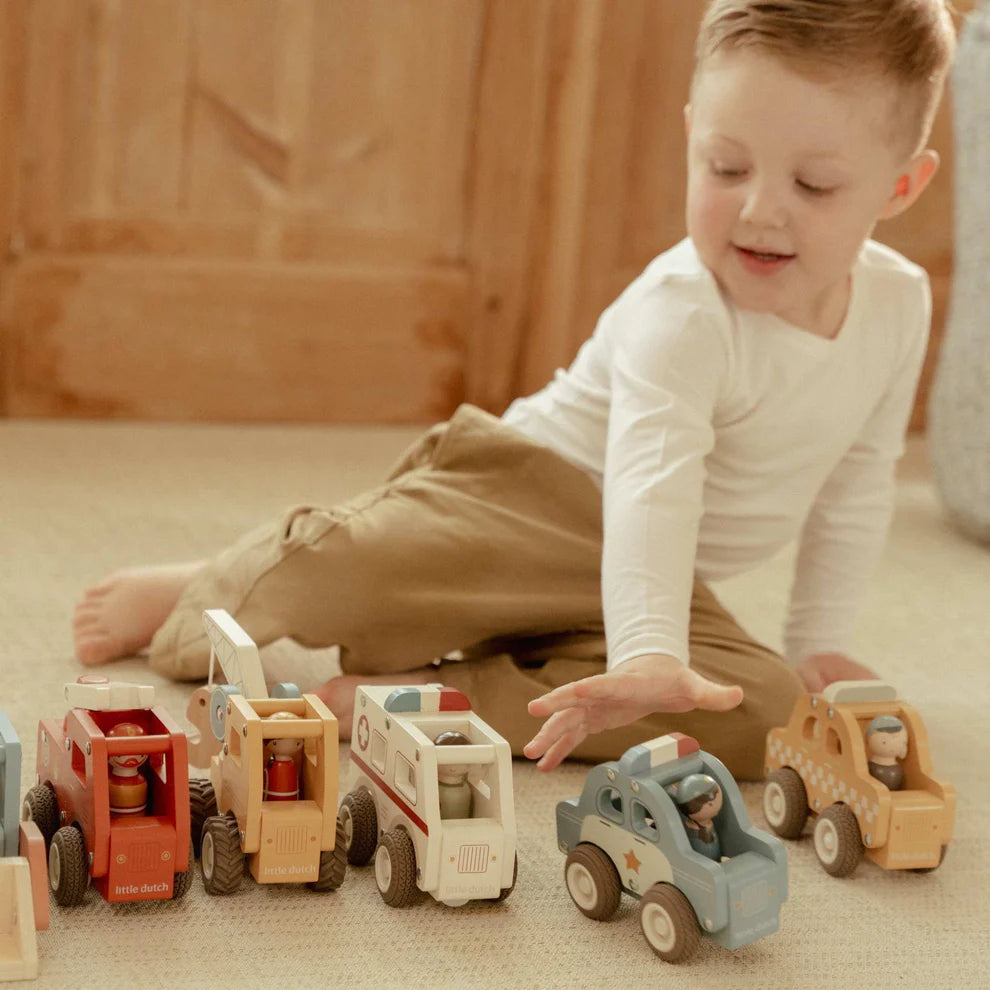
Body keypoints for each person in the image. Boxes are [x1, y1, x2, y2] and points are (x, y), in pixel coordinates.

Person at [71, 0, 955, 781]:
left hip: (657, 571)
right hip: (522, 500)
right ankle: (221, 580)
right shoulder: (684, 311)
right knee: (351, 571)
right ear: (691, 137)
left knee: (759, 709)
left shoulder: (898, 306)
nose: (761, 209)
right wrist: (650, 649)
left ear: (900, 187)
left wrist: (812, 645)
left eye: (814, 184)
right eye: (726, 168)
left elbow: (857, 482)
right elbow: (654, 481)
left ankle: (421, 696)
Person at [865, 714, 909, 790]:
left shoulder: (897, 768)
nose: (893, 747)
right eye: (884, 742)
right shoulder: (871, 767)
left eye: (900, 742)